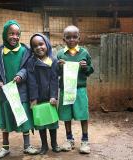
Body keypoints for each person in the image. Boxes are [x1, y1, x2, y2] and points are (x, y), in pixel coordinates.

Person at [0, 20, 39, 159]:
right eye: (11, 33)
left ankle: (27, 146)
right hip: (5, 93)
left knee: (24, 118)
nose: (15, 37)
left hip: (21, 92)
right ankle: (5, 147)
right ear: (5, 34)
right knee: (6, 119)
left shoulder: (25, 51)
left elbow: (28, 68)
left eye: (17, 34)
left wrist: (20, 75)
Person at [57, 25, 94, 154]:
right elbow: (56, 72)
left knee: (83, 114)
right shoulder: (61, 54)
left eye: (74, 37)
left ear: (79, 38)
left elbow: (90, 70)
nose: (71, 40)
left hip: (80, 89)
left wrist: (86, 67)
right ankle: (69, 139)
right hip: (65, 89)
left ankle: (85, 141)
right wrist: (59, 66)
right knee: (66, 115)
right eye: (68, 37)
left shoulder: (84, 53)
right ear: (64, 39)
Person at [27, 33, 61, 155]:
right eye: (34, 46)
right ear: (32, 48)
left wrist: (53, 96)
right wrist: (33, 98)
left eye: (41, 44)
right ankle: (44, 146)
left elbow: (54, 80)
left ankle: (54, 144)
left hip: (50, 97)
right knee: (41, 122)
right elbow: (31, 81)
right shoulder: (31, 62)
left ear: (46, 44)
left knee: (52, 122)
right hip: (38, 97)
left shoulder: (53, 60)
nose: (38, 47)